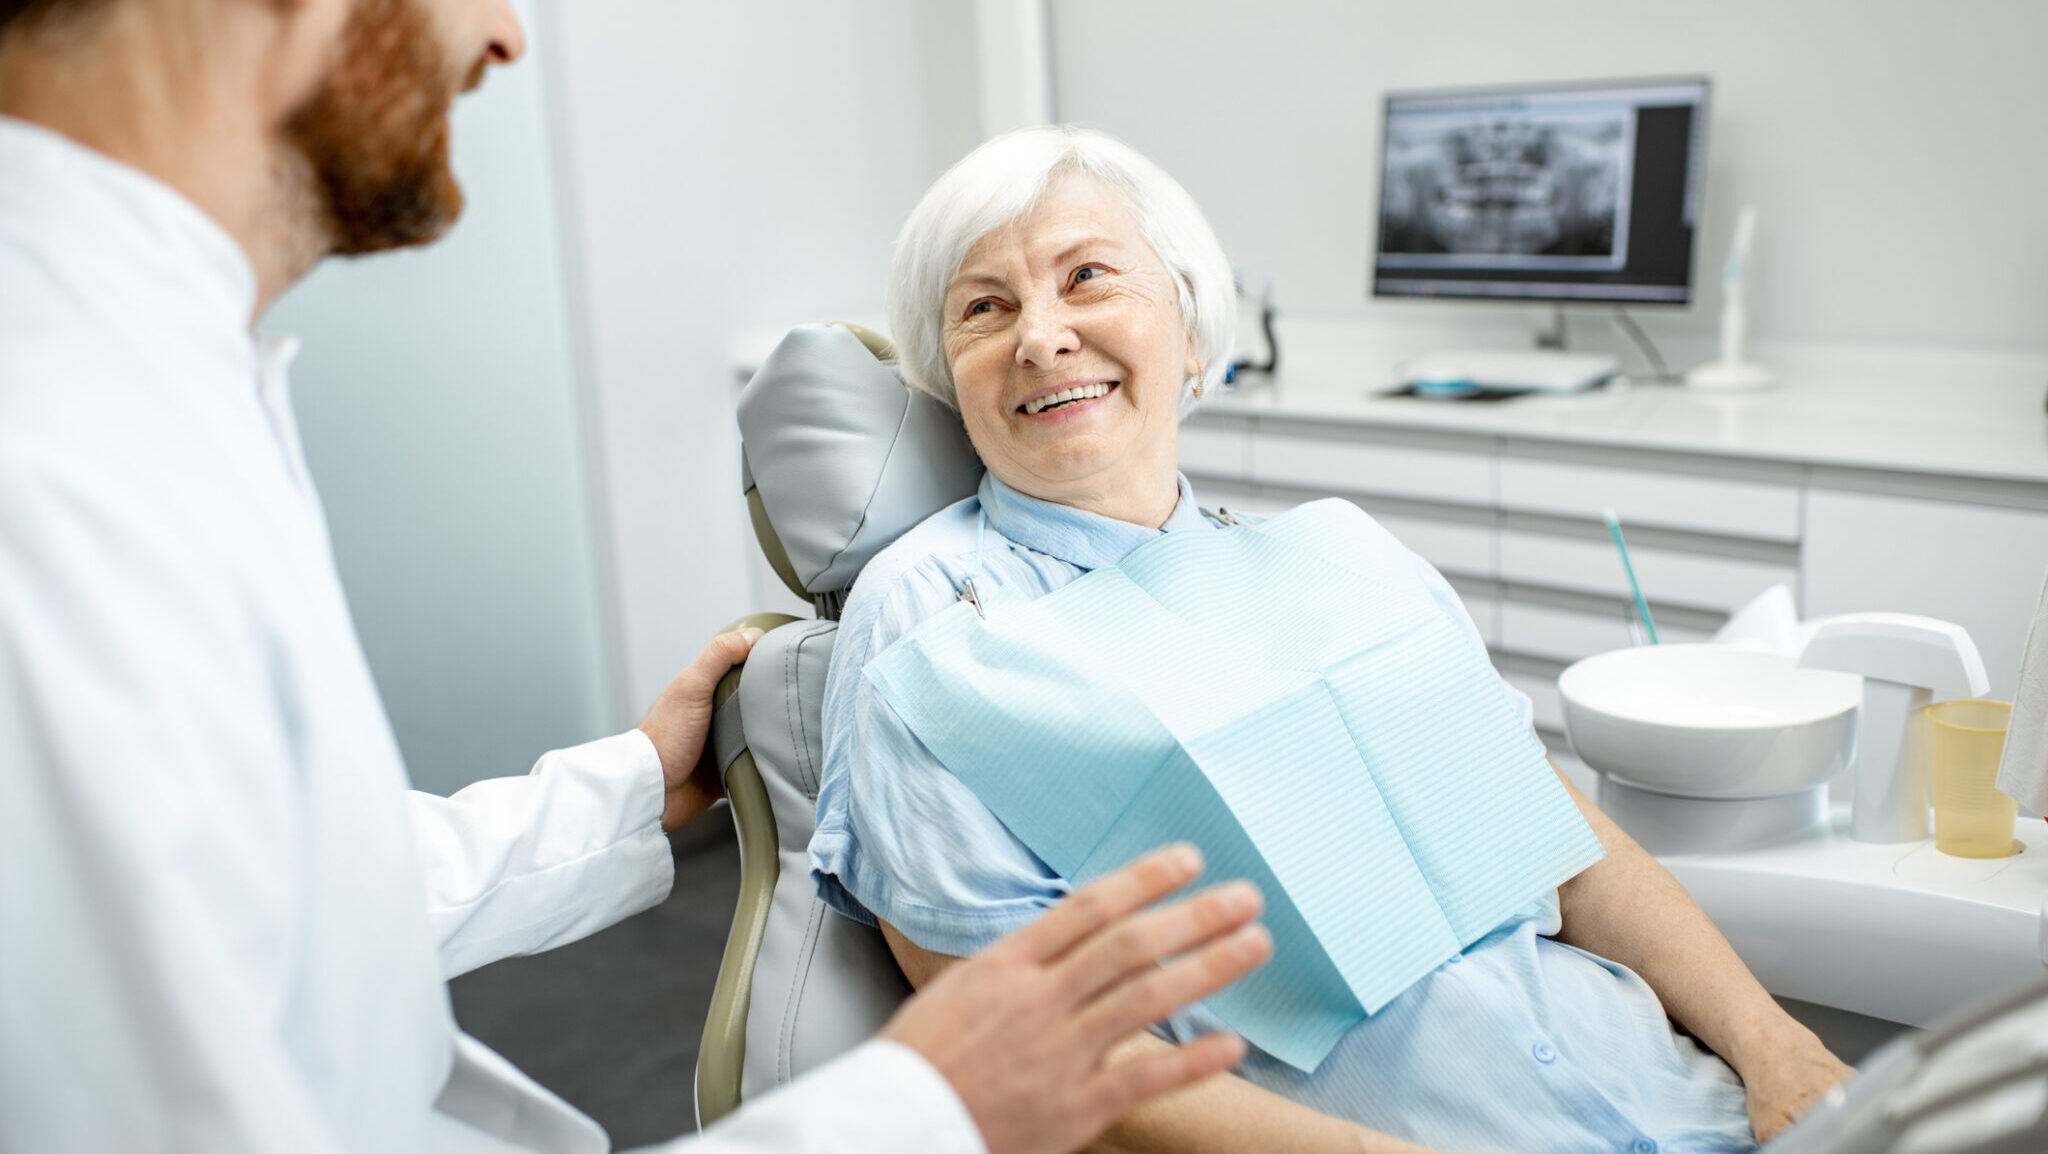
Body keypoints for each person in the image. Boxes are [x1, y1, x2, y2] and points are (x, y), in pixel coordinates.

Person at [0, 2, 1278, 1151]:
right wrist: (916, 1105)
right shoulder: (56, 470)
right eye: (985, 303)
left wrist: (621, 788)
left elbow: (257, 890)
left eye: (1092, 276)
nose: (502, 36)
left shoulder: (143, 385)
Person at [810, 125, 1857, 1154]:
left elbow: (1563, 848)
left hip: (1677, 1094)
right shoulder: (937, 618)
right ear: (950, 374)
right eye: (982, 308)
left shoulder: (1339, 555)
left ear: (1191, 332)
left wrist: (1776, 1050)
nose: (1038, 334)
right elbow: (1024, 1044)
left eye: (1086, 277)